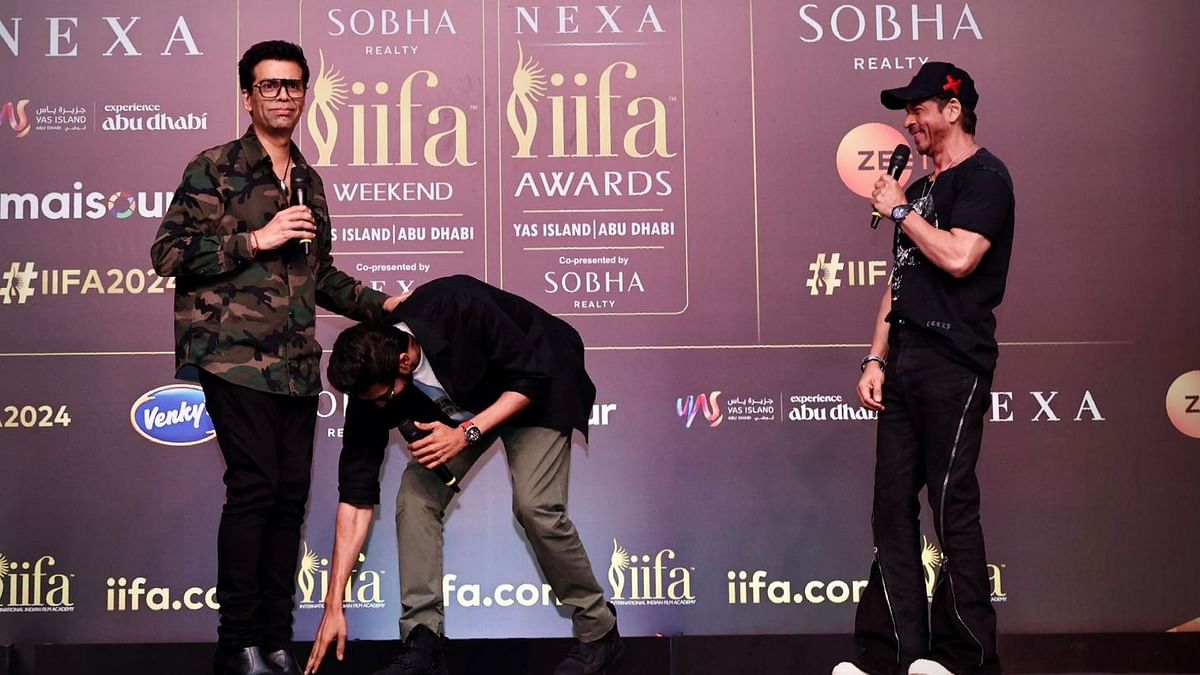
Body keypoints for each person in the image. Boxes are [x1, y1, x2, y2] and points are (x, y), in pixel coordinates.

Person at [151, 40, 401, 675]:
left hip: (294, 364)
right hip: (231, 356)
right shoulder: (214, 167)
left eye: (293, 86)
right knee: (255, 489)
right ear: (248, 96)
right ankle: (237, 645)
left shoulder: (309, 181)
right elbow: (169, 256)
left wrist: (383, 305)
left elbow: (319, 278)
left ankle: (275, 640)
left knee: (289, 499)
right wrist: (254, 239)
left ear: (305, 94)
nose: (283, 96)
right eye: (270, 86)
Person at [303, 275, 623, 675]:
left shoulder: (459, 304)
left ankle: (598, 630)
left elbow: (533, 377)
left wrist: (466, 433)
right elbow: (354, 500)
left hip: (536, 385)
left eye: (386, 396)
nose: (381, 407)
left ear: (403, 360)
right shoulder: (372, 383)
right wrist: (334, 605)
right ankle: (424, 642)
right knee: (415, 496)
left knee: (535, 505)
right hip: (461, 407)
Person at [833, 62, 1014, 675]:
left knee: (950, 502)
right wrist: (875, 356)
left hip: (954, 362)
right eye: (904, 112)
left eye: (918, 110)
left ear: (953, 110)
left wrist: (902, 210)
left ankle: (964, 658)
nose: (908, 123)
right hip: (905, 361)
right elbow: (901, 281)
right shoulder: (924, 189)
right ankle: (891, 657)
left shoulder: (986, 177)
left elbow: (962, 257)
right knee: (890, 508)